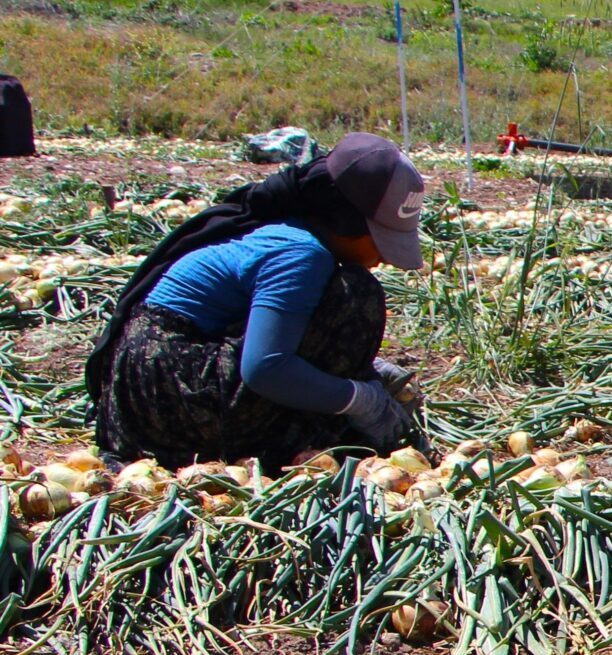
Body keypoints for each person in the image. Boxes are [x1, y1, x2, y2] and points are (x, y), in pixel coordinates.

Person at [89, 133, 422, 470]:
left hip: (145, 390)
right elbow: (265, 367)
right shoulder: (300, 254)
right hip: (171, 397)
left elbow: (273, 332)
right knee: (357, 296)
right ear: (347, 220)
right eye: (381, 240)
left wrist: (366, 369)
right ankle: (281, 449)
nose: (384, 257)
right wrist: (359, 399)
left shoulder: (287, 231)